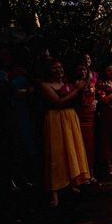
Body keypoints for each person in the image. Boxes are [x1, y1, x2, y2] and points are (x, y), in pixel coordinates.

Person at [39, 60, 90, 206]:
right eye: (54, 68)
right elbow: (58, 102)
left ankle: (71, 182)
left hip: (70, 118)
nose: (58, 70)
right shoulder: (45, 85)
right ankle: (53, 192)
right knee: (56, 153)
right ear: (48, 71)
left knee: (71, 150)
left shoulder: (68, 83)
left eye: (60, 67)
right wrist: (77, 90)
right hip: (55, 119)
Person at [74, 64, 97, 182]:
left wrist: (95, 102)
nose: (82, 71)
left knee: (90, 144)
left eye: (84, 69)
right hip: (79, 115)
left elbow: (95, 97)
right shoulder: (74, 84)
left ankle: (91, 171)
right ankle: (82, 173)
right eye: (80, 69)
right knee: (79, 144)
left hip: (90, 115)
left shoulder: (91, 84)